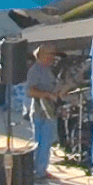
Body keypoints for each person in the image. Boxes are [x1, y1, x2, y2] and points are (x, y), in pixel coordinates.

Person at [25, 46, 63, 178]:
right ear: (40, 55)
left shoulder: (48, 70)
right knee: (41, 143)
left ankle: (42, 169)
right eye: (50, 54)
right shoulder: (35, 70)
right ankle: (38, 172)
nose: (52, 57)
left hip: (50, 110)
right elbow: (29, 91)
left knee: (46, 143)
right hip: (40, 111)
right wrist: (46, 94)